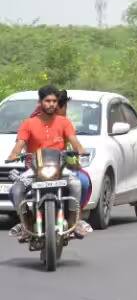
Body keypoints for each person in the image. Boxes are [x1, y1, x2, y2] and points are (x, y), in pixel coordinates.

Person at [6, 85, 87, 240]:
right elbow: (20, 143)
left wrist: (80, 150)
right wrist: (13, 155)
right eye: (47, 101)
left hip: (59, 168)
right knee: (16, 190)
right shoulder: (28, 123)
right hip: (35, 169)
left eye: (54, 101)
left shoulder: (64, 122)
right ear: (40, 102)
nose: (51, 104)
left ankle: (73, 221)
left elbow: (73, 140)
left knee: (77, 184)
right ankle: (26, 223)